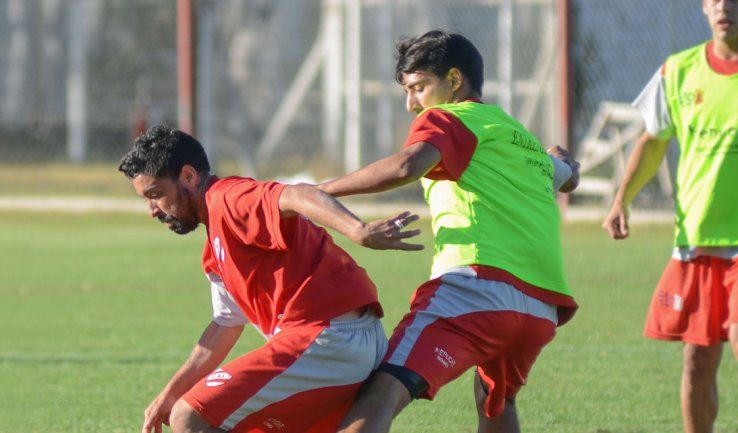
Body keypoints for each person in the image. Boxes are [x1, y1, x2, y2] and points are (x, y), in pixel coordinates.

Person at [316, 30, 580, 433]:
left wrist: (318, 191)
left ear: (454, 80)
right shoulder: (519, 137)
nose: (411, 104)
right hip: (540, 307)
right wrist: (566, 165)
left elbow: (407, 165)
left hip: (477, 287)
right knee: (495, 400)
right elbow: (568, 175)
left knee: (380, 394)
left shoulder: (448, 118)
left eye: (418, 88)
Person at [118, 125, 423, 433]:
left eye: (156, 195)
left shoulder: (228, 198)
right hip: (344, 341)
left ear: (188, 176)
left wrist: (358, 230)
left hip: (328, 338)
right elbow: (225, 325)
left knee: (188, 416)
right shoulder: (215, 248)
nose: (153, 210)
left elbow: (299, 194)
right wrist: (171, 393)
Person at [602, 1, 738, 432]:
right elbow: (654, 140)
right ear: (704, 7)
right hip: (697, 239)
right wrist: (622, 199)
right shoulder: (677, 70)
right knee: (697, 361)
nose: (725, 7)